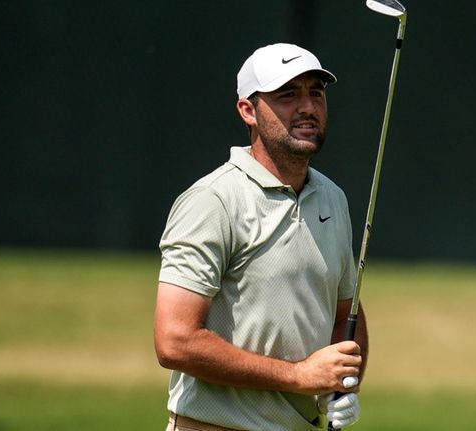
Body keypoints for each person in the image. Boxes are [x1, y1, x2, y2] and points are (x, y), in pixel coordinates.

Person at [154, 43, 368, 431]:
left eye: (315, 93)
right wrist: (300, 376)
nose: (307, 106)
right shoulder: (213, 200)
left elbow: (345, 313)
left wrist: (342, 386)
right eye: (288, 94)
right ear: (248, 110)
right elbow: (174, 340)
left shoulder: (333, 198)